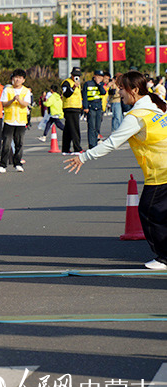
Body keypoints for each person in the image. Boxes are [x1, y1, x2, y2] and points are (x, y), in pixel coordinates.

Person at [65, 71, 167, 270]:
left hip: (160, 172)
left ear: (134, 90)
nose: (118, 92)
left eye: (121, 88)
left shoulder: (137, 116)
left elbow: (112, 143)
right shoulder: (158, 105)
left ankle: (163, 257)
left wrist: (83, 157)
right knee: (158, 212)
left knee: (148, 212)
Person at [0, 68, 32, 173]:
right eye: (16, 77)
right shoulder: (7, 90)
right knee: (6, 143)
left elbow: (26, 103)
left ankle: (18, 163)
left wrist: (19, 100)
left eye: (20, 78)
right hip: (9, 120)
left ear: (23, 80)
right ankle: (2, 165)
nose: (17, 80)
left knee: (19, 143)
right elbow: (3, 103)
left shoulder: (26, 91)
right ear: (12, 79)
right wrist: (12, 100)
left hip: (21, 120)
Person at [61, 66, 84, 154]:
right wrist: (73, 87)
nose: (76, 77)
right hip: (70, 108)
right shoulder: (66, 82)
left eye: (78, 76)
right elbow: (66, 94)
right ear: (71, 74)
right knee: (75, 129)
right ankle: (77, 148)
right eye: (74, 75)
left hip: (76, 108)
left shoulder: (78, 83)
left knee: (68, 129)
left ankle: (65, 149)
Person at [82, 70, 107, 149]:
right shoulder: (88, 84)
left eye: (101, 77)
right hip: (91, 107)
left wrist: (99, 84)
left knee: (97, 126)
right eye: (98, 77)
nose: (100, 78)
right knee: (91, 126)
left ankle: (96, 142)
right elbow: (84, 96)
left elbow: (103, 92)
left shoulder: (101, 84)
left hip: (98, 107)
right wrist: (85, 107)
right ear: (94, 76)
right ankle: (92, 145)